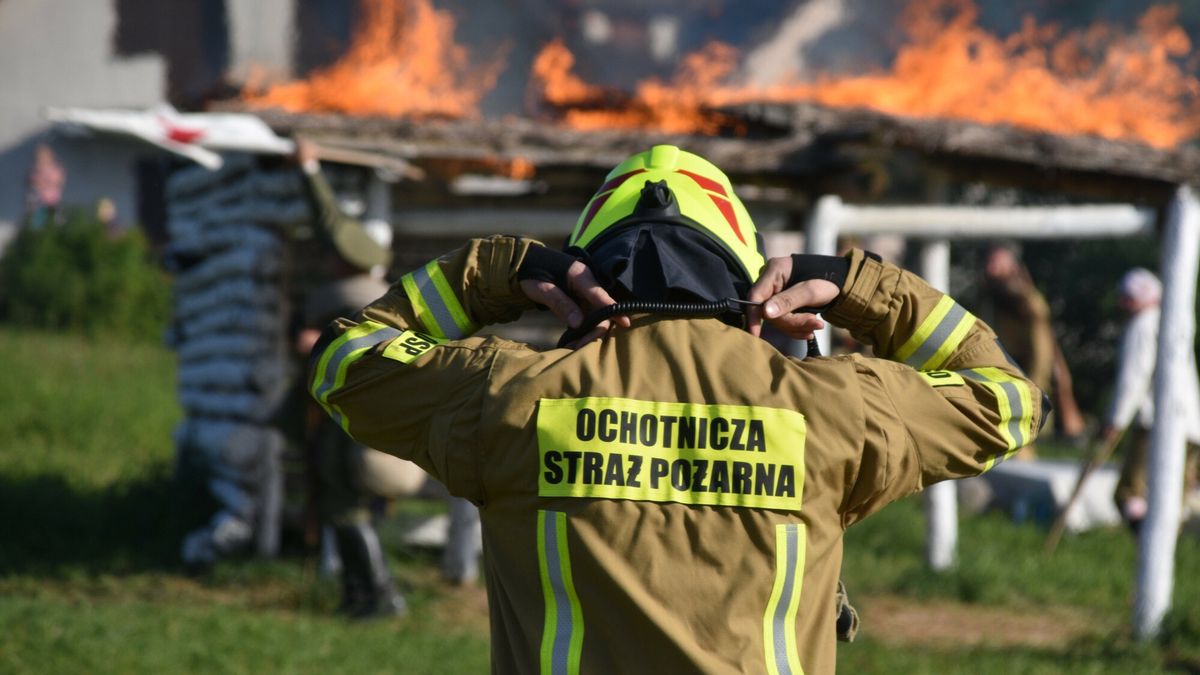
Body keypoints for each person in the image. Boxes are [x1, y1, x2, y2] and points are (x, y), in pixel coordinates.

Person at [309, 145, 1046, 672]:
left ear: (586, 277)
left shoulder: (509, 397)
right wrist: (859, 286)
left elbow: (345, 362)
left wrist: (496, 273)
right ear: (747, 275)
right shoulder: (838, 409)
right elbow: (1011, 401)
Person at [1103, 268, 1200, 531]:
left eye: (1127, 297)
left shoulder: (1144, 325)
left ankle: (1144, 544)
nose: (1122, 303)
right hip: (1190, 425)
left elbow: (1133, 379)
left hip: (1155, 424)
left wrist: (1116, 420)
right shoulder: (1175, 322)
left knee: (1130, 493)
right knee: (1172, 496)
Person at [983, 243, 1085, 446]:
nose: (990, 269)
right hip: (1014, 357)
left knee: (1047, 392)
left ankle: (1057, 433)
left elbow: (1040, 348)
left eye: (995, 262)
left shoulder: (1024, 297)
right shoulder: (998, 294)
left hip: (1028, 360)